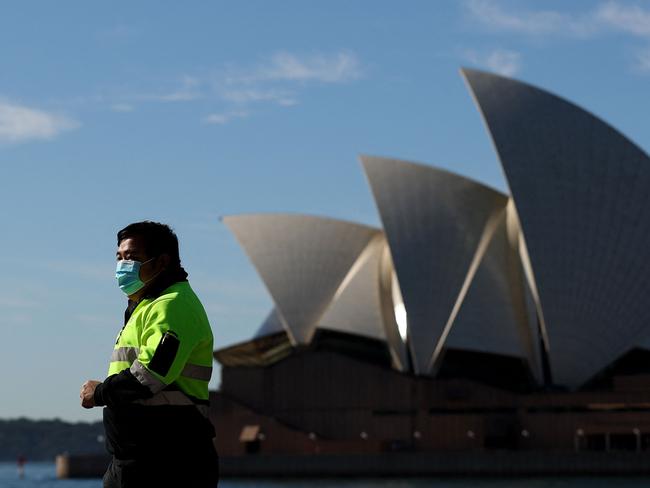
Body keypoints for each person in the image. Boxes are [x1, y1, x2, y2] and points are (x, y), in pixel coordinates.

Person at [80, 221, 219, 487]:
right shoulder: (145, 306)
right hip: (136, 460)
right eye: (119, 257)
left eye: (132, 258)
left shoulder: (173, 305)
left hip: (169, 463)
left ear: (162, 262)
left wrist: (99, 393)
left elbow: (150, 374)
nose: (123, 265)